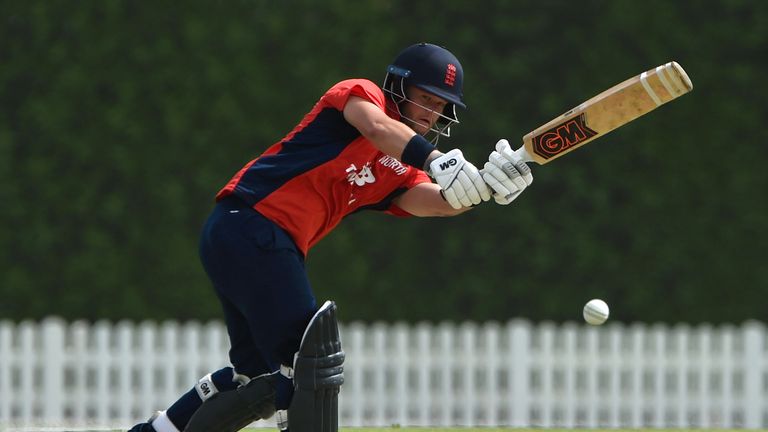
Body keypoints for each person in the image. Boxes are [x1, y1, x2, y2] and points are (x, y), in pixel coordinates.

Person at [128, 42, 533, 432]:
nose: (432, 113)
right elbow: (375, 126)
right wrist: (433, 158)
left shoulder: (397, 169)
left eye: (442, 106)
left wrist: (484, 189)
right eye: (426, 99)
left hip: (244, 236)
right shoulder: (360, 94)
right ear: (399, 85)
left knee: (255, 378)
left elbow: (439, 201)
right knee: (310, 363)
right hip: (254, 225)